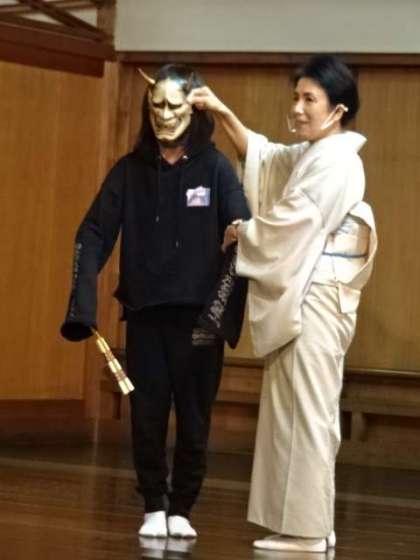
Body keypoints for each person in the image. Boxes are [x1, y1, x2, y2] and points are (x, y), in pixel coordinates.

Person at [188, 54, 377, 552]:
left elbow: (290, 223)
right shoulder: (317, 154)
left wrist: (242, 232)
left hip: (317, 297)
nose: (297, 108)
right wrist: (223, 113)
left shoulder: (336, 162)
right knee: (300, 411)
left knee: (307, 412)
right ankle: (310, 524)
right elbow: (266, 158)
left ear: (337, 110)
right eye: (296, 96)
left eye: (309, 99)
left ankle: (308, 530)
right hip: (308, 293)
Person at [61, 64, 250, 539]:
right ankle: (153, 503)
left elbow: (244, 234)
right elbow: (93, 231)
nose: (164, 115)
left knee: (194, 417)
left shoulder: (216, 168)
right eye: (156, 106)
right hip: (145, 313)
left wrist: (221, 306)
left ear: (195, 108)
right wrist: (82, 303)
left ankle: (182, 506)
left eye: (174, 106)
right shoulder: (129, 171)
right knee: (145, 414)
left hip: (200, 319)